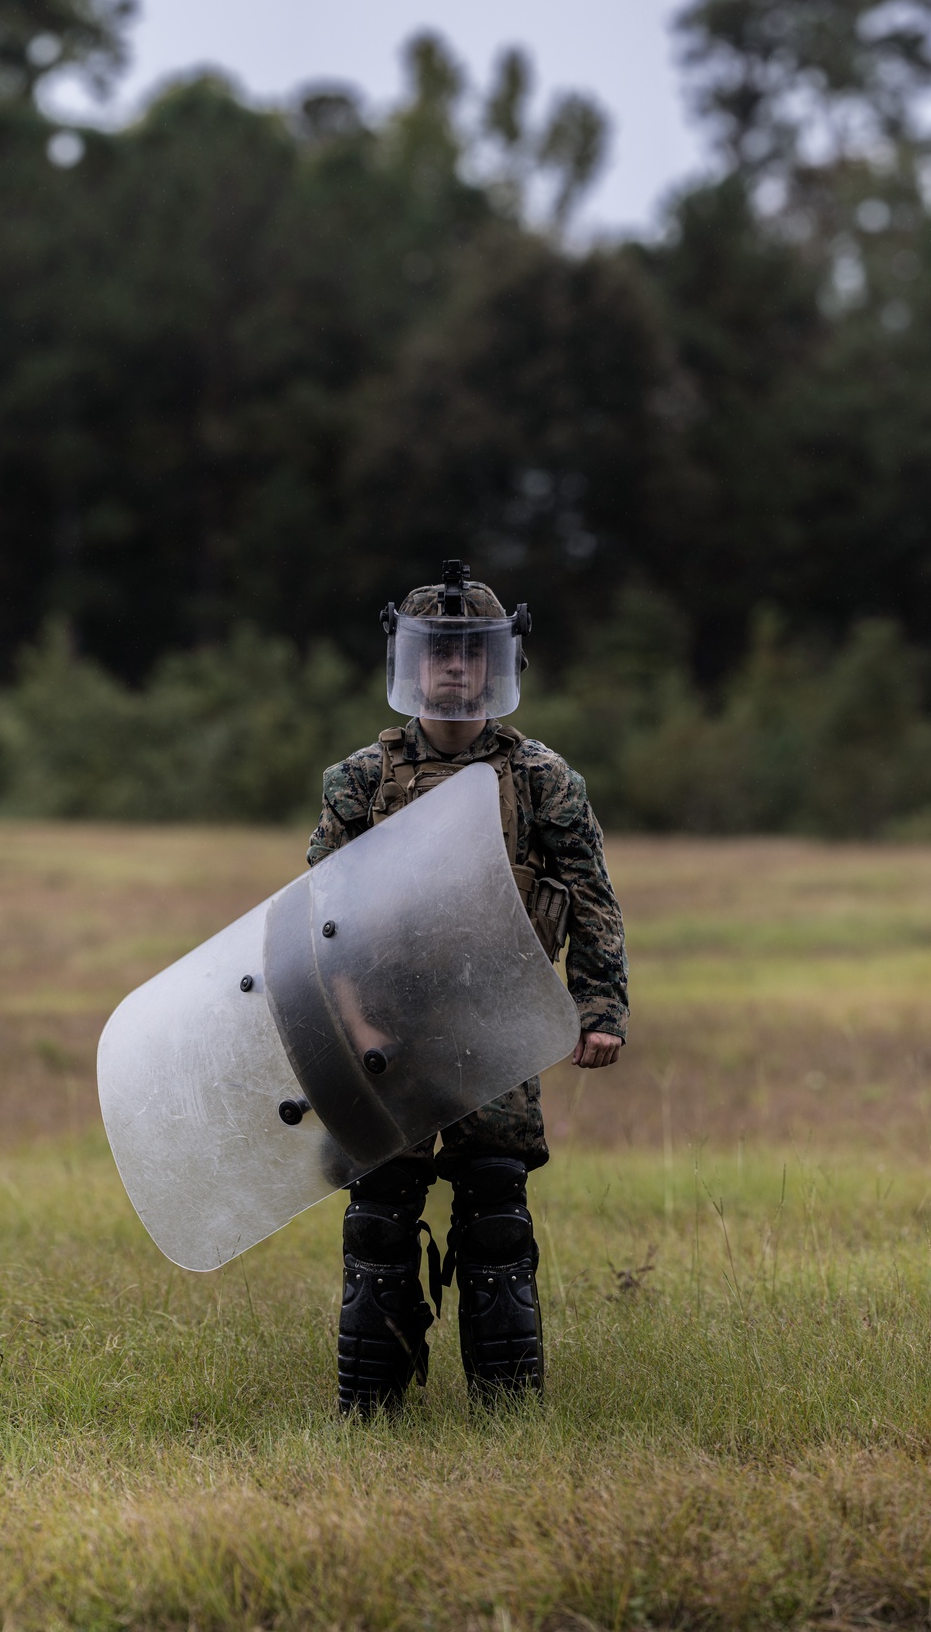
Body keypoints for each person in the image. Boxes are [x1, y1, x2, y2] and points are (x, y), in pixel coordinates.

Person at [306, 561, 629, 1413]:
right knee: (379, 1213)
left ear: (497, 665)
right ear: (410, 663)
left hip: (495, 1029)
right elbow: (321, 923)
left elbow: (592, 899)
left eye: (470, 653)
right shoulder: (359, 782)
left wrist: (600, 1010)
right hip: (385, 1034)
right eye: (438, 652)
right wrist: (353, 1029)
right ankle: (370, 1413)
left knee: (494, 1210)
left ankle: (508, 1412)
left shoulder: (541, 779)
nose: (454, 668)